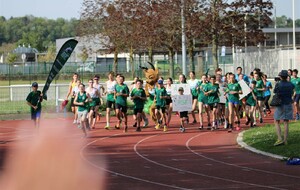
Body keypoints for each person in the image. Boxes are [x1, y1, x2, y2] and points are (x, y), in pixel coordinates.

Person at [273, 70, 295, 146]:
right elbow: (292, 92)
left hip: (280, 104)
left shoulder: (278, 84)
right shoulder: (291, 84)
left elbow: (275, 91)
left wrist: (276, 83)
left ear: (280, 76)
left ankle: (279, 138)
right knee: (286, 122)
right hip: (288, 103)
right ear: (287, 76)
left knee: (276, 120)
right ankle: (285, 140)